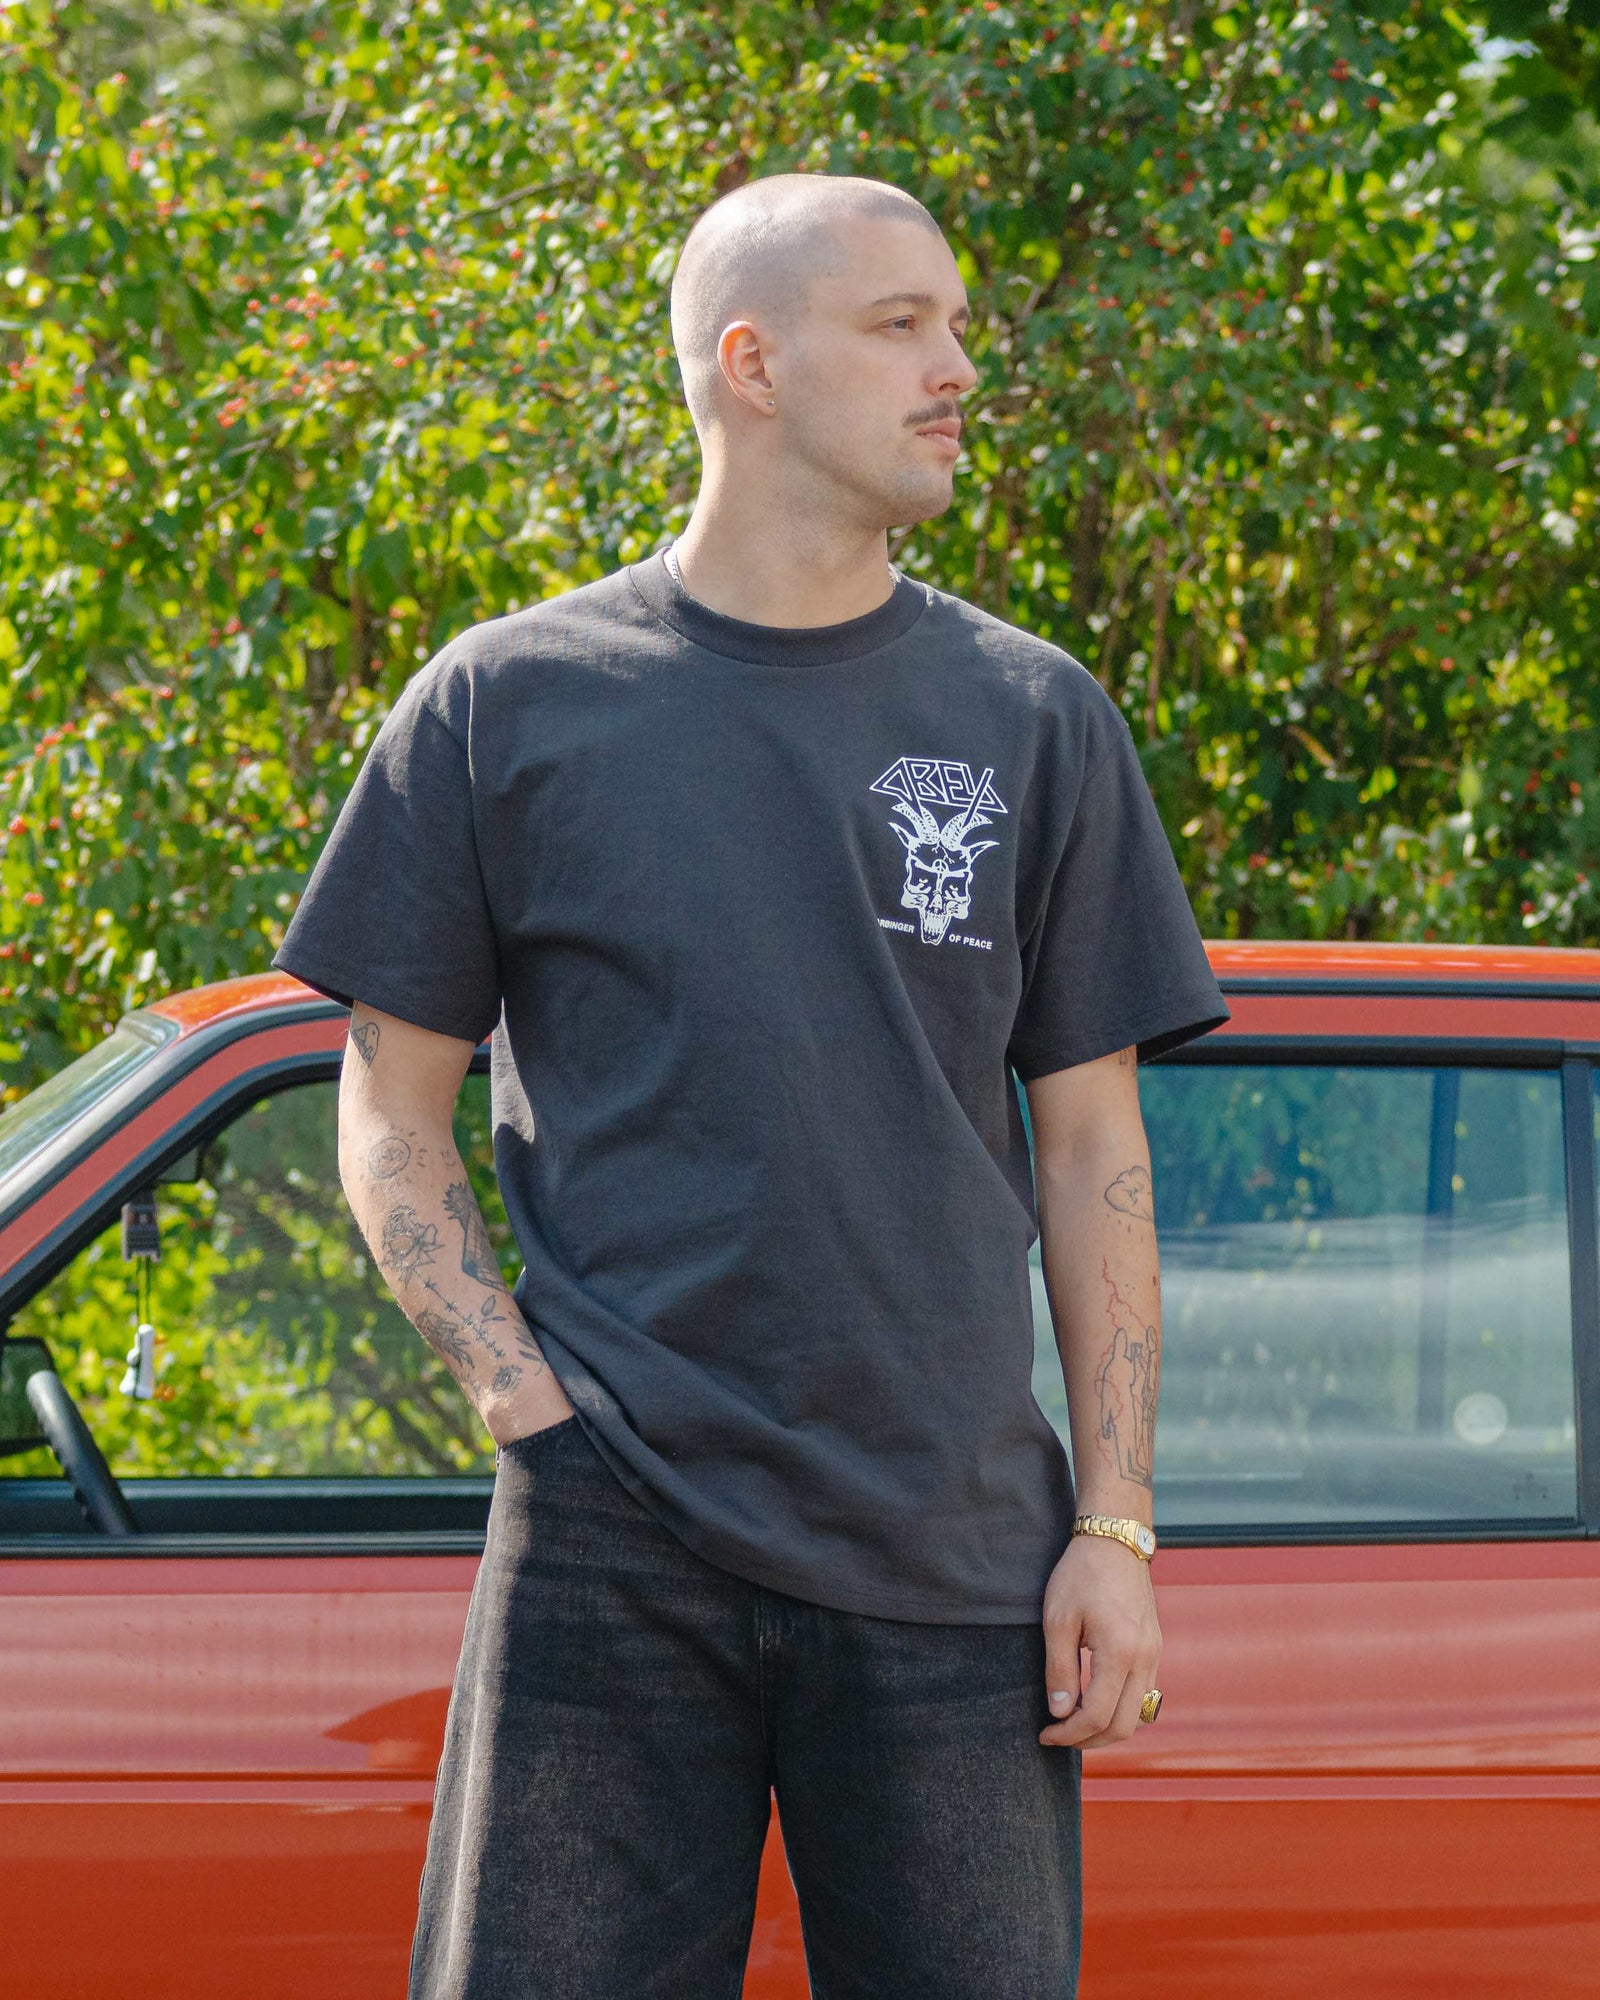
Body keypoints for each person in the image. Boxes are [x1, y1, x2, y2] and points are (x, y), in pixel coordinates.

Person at [273, 171, 1228, 2000]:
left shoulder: (1033, 716)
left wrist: (1114, 1526)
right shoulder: (506, 703)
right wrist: (522, 1407)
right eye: (902, 325)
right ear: (753, 362)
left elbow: (1093, 1144)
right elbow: (388, 1105)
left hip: (954, 1544)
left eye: (958, 324)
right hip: (609, 1536)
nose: (960, 368)